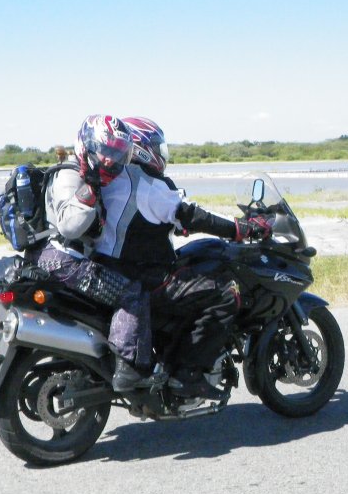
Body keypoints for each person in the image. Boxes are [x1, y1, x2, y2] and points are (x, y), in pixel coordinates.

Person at [92, 117, 272, 398]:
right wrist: (241, 228)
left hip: (109, 273)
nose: (160, 153)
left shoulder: (114, 179)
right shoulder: (148, 187)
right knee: (226, 292)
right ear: (141, 148)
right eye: (155, 146)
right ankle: (189, 374)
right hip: (143, 278)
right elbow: (192, 216)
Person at [32, 114, 153, 392]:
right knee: (132, 291)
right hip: (63, 260)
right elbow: (70, 226)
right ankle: (129, 368)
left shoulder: (84, 173)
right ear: (86, 145)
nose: (110, 160)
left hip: (56, 257)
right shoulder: (70, 175)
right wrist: (91, 188)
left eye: (117, 153)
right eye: (106, 151)